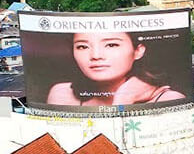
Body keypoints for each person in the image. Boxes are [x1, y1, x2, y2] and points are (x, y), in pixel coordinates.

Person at [46, 31, 186, 106]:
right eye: (82, 46)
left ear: (138, 51)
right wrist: (123, 101)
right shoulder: (62, 94)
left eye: (111, 45)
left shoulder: (168, 99)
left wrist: (125, 97)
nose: (96, 56)